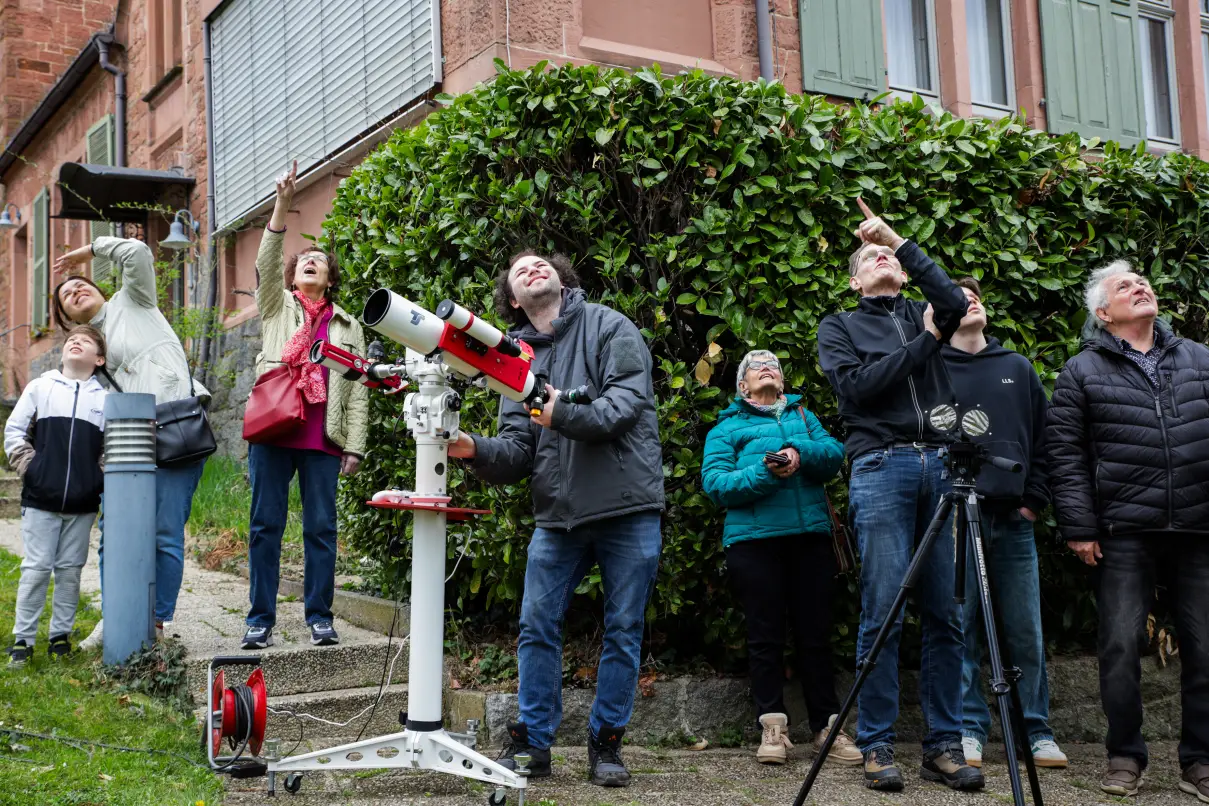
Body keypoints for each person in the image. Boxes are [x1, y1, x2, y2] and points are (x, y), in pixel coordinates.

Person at [447, 250, 664, 787]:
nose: (531, 268)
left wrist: (556, 410)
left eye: (540, 263)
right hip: (557, 516)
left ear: (561, 278)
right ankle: (534, 744)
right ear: (514, 299)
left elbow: (623, 406)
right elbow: (520, 452)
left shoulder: (610, 325)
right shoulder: (512, 359)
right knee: (536, 626)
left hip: (626, 506)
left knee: (623, 628)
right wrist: (472, 449)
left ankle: (607, 744)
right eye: (519, 270)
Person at [815, 198, 982, 792]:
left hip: (942, 464)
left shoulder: (924, 309)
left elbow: (957, 302)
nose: (881, 257)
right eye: (871, 255)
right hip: (880, 467)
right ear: (855, 279)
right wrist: (924, 344)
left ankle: (942, 745)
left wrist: (898, 237)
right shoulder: (837, 326)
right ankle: (877, 743)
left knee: (946, 612)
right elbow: (858, 389)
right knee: (884, 610)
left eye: (889, 254)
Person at [1047, 260, 1209, 801]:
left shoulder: (1199, 358)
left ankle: (1200, 761)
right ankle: (1124, 756)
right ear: (1103, 313)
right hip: (1122, 529)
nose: (1140, 287)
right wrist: (1079, 525)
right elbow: (1065, 454)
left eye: (1143, 282)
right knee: (1118, 644)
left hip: (1198, 523)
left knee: (1206, 645)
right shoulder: (1082, 370)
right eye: (1124, 286)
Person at [701, 349, 861, 767]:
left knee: (816, 636)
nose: (767, 369)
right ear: (742, 386)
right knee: (765, 637)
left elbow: (834, 457)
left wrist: (800, 453)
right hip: (753, 544)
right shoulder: (727, 428)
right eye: (757, 367)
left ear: (783, 382)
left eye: (774, 366)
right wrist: (766, 472)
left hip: (810, 539)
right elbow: (716, 484)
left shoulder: (805, 418)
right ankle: (772, 726)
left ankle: (828, 726)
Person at [52, 234, 212, 646]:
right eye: (67, 295)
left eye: (80, 283)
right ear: (68, 319)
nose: (74, 288)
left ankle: (155, 623)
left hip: (176, 427)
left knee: (165, 530)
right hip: (129, 439)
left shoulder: (133, 299)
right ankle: (115, 615)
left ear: (100, 289)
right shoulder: (85, 349)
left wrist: (88, 250)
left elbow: (137, 252)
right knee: (115, 530)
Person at [240, 161, 368, 650]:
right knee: (264, 526)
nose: (310, 261)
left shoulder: (349, 325)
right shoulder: (277, 305)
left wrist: (355, 445)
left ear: (330, 278)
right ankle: (259, 619)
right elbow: (267, 262)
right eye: (304, 259)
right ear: (293, 276)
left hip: (322, 435)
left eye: (319, 259)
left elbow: (356, 387)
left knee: (321, 528)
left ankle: (320, 616)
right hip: (274, 429)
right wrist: (280, 205)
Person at [941, 278, 1067, 770]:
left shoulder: (1017, 366)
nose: (971, 300)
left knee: (1025, 629)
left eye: (977, 295)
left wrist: (1034, 500)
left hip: (1012, 519)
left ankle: (1036, 731)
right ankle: (970, 730)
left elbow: (1047, 438)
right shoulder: (930, 369)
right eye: (958, 296)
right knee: (961, 628)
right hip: (953, 519)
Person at [4, 326, 108, 665]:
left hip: (82, 504)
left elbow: (111, 450)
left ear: (99, 358)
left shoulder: (105, 400)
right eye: (71, 340)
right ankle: (23, 640)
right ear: (63, 353)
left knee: (69, 570)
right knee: (36, 568)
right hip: (40, 500)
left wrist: (97, 479)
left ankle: (59, 636)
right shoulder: (41, 387)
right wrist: (32, 470)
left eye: (86, 341)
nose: (76, 342)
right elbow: (15, 431)